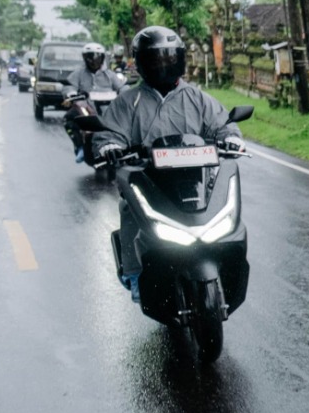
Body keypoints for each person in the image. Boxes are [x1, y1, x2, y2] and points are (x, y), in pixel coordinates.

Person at [93, 26, 244, 304]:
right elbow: (109, 132)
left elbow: (223, 125)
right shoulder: (128, 101)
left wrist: (231, 138)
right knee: (129, 209)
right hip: (148, 178)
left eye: (168, 58)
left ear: (180, 60)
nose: (162, 65)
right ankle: (135, 274)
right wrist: (109, 146)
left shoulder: (197, 98)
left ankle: (225, 260)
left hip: (195, 177)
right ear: (141, 63)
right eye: (155, 59)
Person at [63, 42, 127, 162]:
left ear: (102, 58)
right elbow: (69, 86)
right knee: (68, 120)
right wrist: (71, 93)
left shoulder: (110, 74)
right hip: (87, 108)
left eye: (97, 57)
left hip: (109, 109)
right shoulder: (79, 73)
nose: (94, 60)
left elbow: (122, 87)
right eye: (90, 57)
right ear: (85, 58)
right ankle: (80, 147)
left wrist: (125, 93)